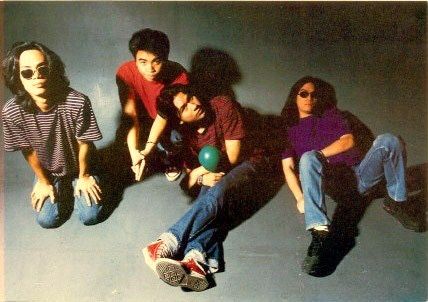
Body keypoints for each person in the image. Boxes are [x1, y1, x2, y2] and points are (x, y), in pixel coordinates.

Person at [280, 76, 420, 277]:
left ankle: (397, 201)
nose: (309, 98)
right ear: (294, 97)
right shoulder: (289, 129)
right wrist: (300, 197)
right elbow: (288, 166)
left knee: (389, 140)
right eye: (304, 94)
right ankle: (319, 233)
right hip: (336, 184)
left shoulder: (331, 115)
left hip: (361, 175)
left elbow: (348, 141)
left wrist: (319, 154)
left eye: (314, 94)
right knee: (308, 158)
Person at [142, 84, 257, 291]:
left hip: (251, 163)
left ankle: (166, 242)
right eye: (185, 107)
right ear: (178, 119)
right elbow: (189, 180)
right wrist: (198, 175)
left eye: (191, 97)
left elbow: (232, 157)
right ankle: (196, 259)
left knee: (215, 194)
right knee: (211, 197)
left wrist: (201, 173)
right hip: (215, 171)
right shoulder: (186, 136)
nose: (195, 105)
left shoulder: (223, 105)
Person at [2, 41, 105, 228]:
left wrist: (84, 176)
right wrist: (43, 180)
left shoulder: (77, 102)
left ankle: (75, 183)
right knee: (46, 221)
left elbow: (84, 144)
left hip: (79, 165)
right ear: (17, 78)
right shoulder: (12, 111)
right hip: (48, 167)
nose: (37, 77)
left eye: (42, 69)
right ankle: (59, 184)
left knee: (90, 216)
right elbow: (28, 150)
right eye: (27, 72)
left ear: (52, 70)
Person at [116, 28, 188, 182]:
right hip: (145, 119)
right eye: (143, 62)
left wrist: (148, 148)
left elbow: (163, 117)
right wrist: (135, 152)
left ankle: (173, 157)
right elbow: (130, 115)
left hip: (170, 120)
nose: (150, 69)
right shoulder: (125, 73)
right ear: (135, 59)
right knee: (124, 142)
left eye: (157, 61)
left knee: (175, 137)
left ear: (166, 59)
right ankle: (152, 151)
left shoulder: (179, 76)